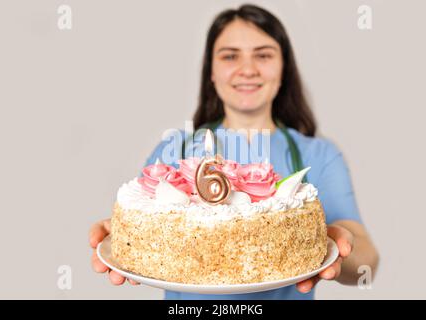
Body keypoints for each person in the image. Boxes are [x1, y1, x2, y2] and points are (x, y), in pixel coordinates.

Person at [89, 4, 379, 300]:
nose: (248, 69)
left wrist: (341, 244)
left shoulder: (318, 154)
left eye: (263, 55)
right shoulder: (174, 150)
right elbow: (147, 216)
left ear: (284, 69)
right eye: (230, 56)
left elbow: (367, 260)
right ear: (211, 71)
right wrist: (128, 235)